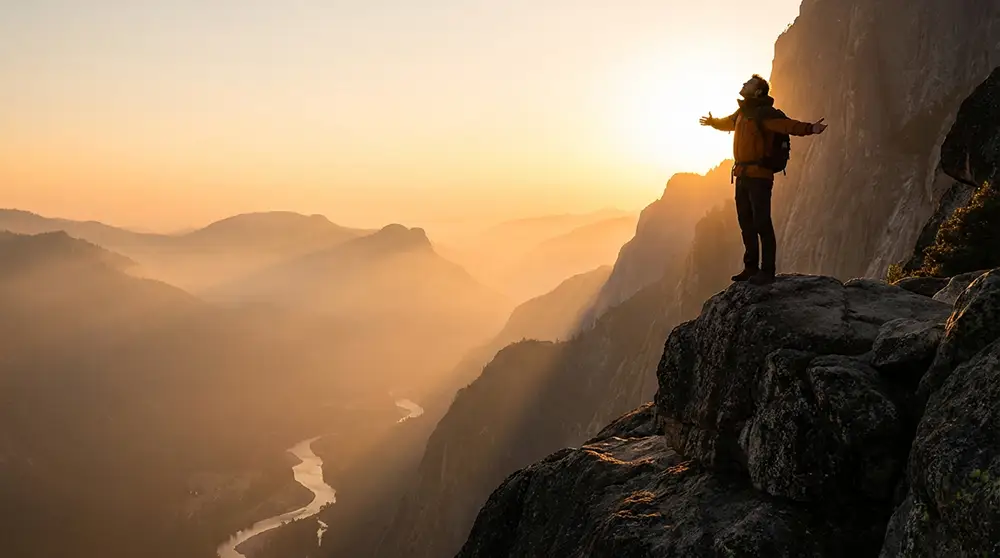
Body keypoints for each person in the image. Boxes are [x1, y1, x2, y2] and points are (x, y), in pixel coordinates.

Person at [700, 74, 828, 285]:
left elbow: (787, 126)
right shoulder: (743, 112)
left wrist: (810, 128)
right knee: (746, 223)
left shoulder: (765, 113)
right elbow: (728, 123)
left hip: (759, 177)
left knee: (762, 223)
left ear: (758, 91)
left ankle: (767, 271)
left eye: (748, 83)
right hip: (741, 175)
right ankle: (750, 268)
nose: (743, 84)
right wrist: (713, 123)